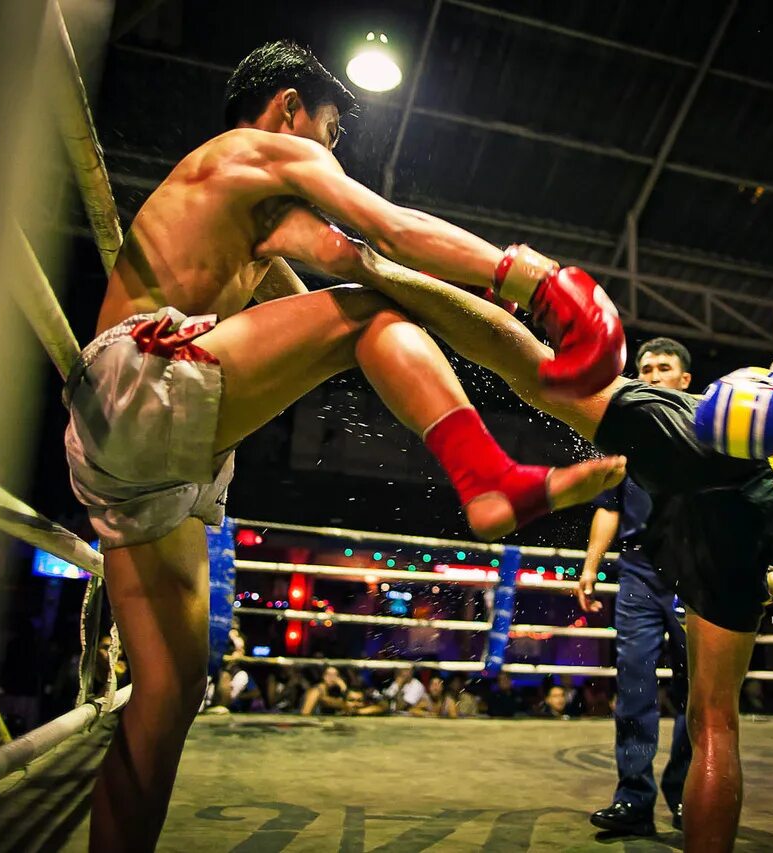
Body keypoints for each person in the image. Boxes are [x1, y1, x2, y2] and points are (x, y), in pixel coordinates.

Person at [69, 41, 626, 851]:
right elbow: (390, 233)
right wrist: (536, 279)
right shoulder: (258, 148)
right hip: (142, 382)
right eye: (330, 132)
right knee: (368, 316)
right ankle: (486, 475)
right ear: (290, 107)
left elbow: (361, 271)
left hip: (132, 447)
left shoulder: (247, 213)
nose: (330, 152)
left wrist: (507, 352)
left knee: (168, 697)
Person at [333, 257, 773, 852]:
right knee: (716, 723)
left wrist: (769, 395)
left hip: (728, 440)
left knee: (536, 369)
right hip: (761, 520)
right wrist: (765, 587)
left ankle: (376, 269)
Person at [577, 337, 693, 837]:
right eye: (644, 369)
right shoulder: (626, 439)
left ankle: (687, 792)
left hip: (697, 572)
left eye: (663, 368)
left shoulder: (710, 430)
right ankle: (633, 799)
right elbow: (609, 506)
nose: (652, 375)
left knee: (698, 689)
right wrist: (591, 566)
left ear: (684, 380)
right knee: (634, 685)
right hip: (639, 571)